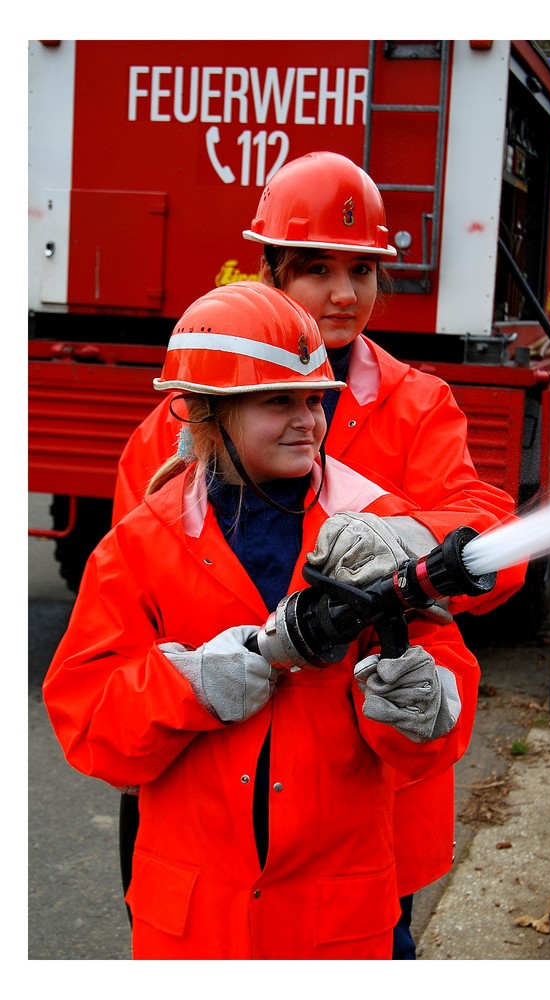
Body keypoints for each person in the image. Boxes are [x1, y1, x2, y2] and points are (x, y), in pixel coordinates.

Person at [112, 151, 528, 958]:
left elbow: (491, 536)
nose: (344, 294)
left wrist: (400, 532)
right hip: (203, 797)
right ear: (268, 272)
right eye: (315, 270)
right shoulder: (178, 424)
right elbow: (125, 605)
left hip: (359, 796)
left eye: (362, 271)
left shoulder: (415, 403)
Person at [42, 282, 481, 960]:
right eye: (279, 400)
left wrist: (425, 706)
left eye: (315, 399)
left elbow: (437, 680)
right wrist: (190, 684)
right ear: (204, 415)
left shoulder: (371, 527)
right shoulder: (141, 543)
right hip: (194, 917)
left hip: (337, 912)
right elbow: (86, 719)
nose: (308, 419)